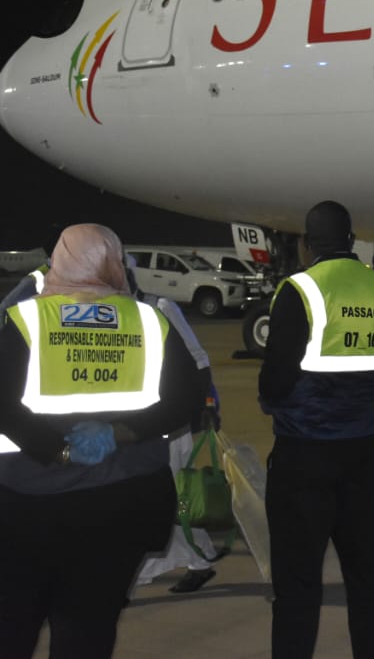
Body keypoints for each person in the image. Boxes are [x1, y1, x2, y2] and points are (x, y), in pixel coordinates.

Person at [0, 224, 205, 658]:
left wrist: (57, 449)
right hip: (123, 504)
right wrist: (119, 433)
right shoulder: (150, 320)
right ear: (115, 262)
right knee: (88, 630)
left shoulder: (23, 319)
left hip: (29, 504)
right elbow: (187, 400)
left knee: (13, 624)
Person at [258, 200, 374, 659]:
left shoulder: (301, 290)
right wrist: (368, 397)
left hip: (304, 455)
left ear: (308, 245)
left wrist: (290, 404)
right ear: (351, 241)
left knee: (297, 581)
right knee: (367, 574)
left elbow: (274, 379)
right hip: (367, 451)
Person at [128, 255, 224, 594]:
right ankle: (201, 558)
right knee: (160, 500)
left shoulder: (161, 307)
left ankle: (141, 574)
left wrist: (209, 404)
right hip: (135, 425)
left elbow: (198, 358)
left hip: (171, 424)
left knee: (167, 497)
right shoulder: (112, 314)